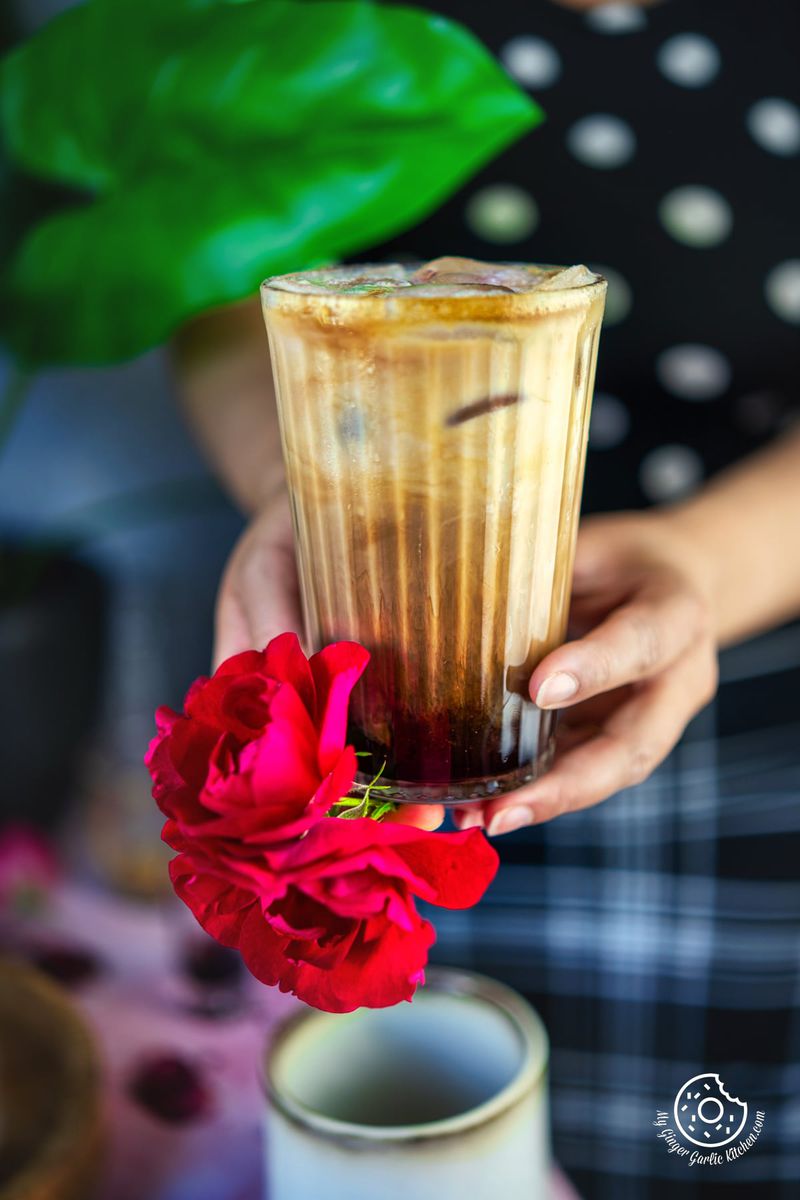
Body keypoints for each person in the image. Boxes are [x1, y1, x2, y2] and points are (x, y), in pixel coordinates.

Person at [175, 1, 800, 1195]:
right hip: (365, 692)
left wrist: (702, 566)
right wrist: (284, 493)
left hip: (754, 707)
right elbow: (206, 282)